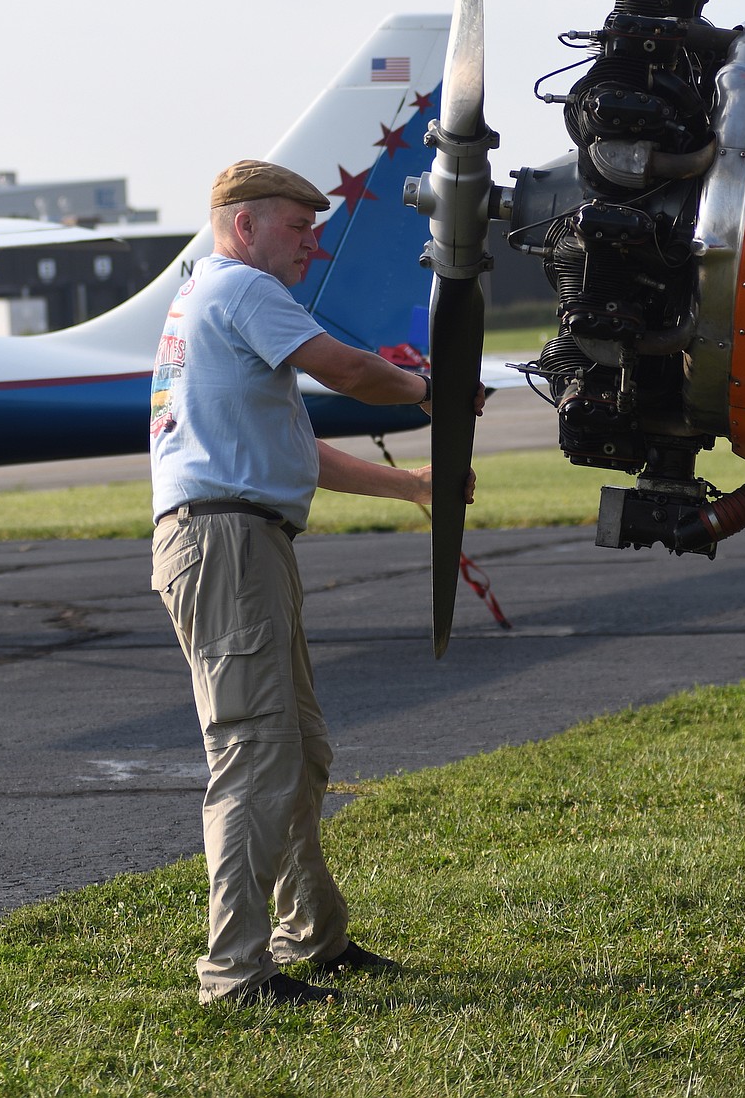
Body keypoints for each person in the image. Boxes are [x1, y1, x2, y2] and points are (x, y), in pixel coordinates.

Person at [150, 158, 480, 1005]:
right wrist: (429, 391)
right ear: (243, 224)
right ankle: (234, 974)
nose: (311, 244)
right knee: (257, 756)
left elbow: (290, 452)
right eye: (298, 228)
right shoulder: (244, 291)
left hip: (232, 539)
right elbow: (349, 372)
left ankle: (316, 941)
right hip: (229, 547)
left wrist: (410, 485)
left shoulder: (210, 299)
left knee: (295, 753)